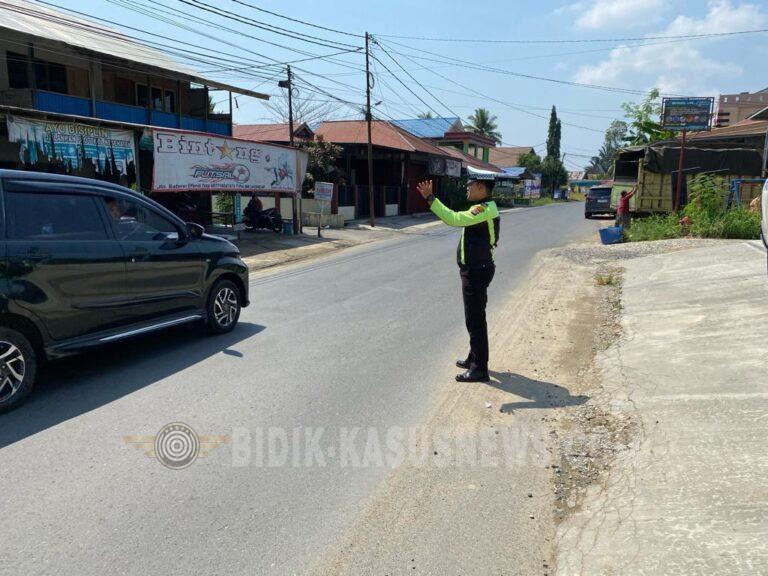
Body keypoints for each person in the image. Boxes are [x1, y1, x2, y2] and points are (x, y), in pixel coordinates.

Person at [417, 177, 500, 383]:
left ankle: (480, 368)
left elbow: (454, 219)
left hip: (476, 271)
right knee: (473, 317)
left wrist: (430, 198)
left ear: (481, 187)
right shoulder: (481, 207)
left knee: (475, 320)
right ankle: (474, 357)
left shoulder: (483, 209)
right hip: (475, 269)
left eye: (470, 185)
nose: (467, 188)